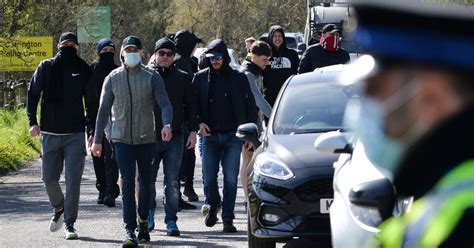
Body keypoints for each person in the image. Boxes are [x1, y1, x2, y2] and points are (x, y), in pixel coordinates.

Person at [348, 2, 474, 247]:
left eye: (374, 90)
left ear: (431, 97)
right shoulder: (437, 199)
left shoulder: (463, 222)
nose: (364, 106)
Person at [90, 35, 173, 247]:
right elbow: (102, 111)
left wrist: (167, 125)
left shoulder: (151, 76)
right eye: (128, 50)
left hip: (146, 138)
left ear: (142, 53)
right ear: (122, 54)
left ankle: (143, 221)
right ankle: (129, 229)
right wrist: (97, 140)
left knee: (145, 183)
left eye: (135, 50)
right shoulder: (113, 77)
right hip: (121, 139)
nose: (131, 53)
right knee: (127, 182)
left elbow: (164, 103)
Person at [27, 32, 95, 240]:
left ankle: (70, 224)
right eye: (65, 44)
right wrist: (33, 122)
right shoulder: (46, 67)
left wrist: (91, 131)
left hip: (75, 133)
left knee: (73, 181)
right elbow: (33, 93)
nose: (69, 48)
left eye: (72, 45)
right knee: (49, 179)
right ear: (58, 46)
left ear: (77, 48)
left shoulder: (83, 69)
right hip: (49, 132)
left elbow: (91, 103)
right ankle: (59, 207)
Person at [193, 39, 257, 233]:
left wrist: (250, 135)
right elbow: (192, 106)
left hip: (233, 136)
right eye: (212, 58)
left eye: (219, 57)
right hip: (209, 136)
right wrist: (198, 123)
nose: (215, 61)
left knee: (230, 179)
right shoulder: (200, 78)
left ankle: (228, 219)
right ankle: (213, 205)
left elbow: (250, 107)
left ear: (225, 58)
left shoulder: (239, 78)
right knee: (209, 177)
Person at [147, 38, 197, 236]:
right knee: (147, 180)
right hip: (149, 138)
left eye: (169, 54)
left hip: (175, 137)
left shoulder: (184, 77)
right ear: (155, 54)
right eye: (162, 53)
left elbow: (192, 106)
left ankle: (171, 221)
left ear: (174, 56)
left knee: (173, 181)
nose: (165, 57)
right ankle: (148, 215)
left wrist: (193, 131)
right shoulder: (147, 76)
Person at [88, 38, 120, 207]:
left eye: (110, 49)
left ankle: (110, 190)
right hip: (94, 118)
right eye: (104, 49)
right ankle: (102, 188)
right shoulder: (92, 71)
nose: (107, 52)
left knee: (111, 156)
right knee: (97, 155)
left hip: (114, 117)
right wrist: (90, 127)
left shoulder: (117, 71)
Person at [238, 40, 273, 197]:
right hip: (247, 125)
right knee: (248, 161)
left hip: (254, 123)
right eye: (264, 59)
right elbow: (258, 99)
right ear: (254, 57)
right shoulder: (248, 73)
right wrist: (275, 117)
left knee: (250, 160)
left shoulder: (255, 71)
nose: (267, 63)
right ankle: (247, 198)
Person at [174, 29, 203, 208]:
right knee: (180, 158)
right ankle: (177, 195)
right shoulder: (181, 62)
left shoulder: (185, 62)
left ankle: (185, 190)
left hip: (183, 118)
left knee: (186, 156)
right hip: (182, 119)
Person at [262, 25, 299, 107]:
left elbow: (297, 73)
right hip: (270, 97)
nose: (277, 38)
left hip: (289, 95)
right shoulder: (264, 55)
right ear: (270, 37)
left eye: (280, 36)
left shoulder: (292, 54)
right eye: (275, 36)